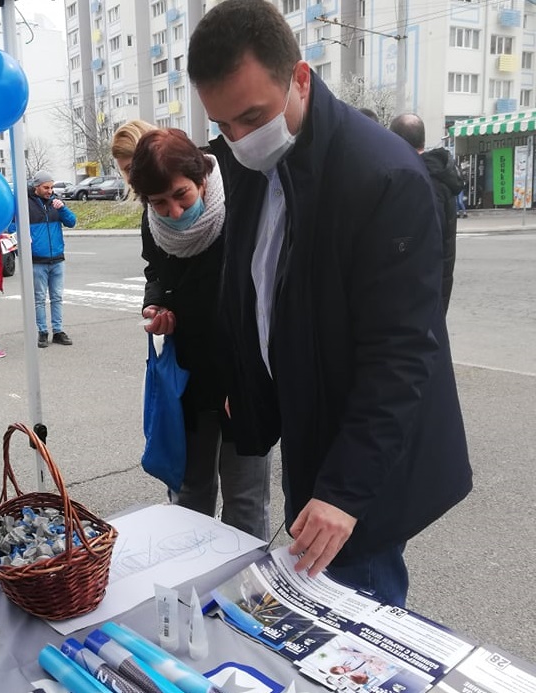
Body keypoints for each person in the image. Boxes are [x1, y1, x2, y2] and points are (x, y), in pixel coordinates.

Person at [187, 0, 472, 606]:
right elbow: (255, 284)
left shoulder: (382, 176)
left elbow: (401, 354)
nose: (239, 138)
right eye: (224, 125)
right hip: (307, 416)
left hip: (362, 453)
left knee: (357, 619)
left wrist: (344, 490)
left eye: (252, 116)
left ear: (301, 77)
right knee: (310, 608)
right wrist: (248, 378)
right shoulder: (251, 160)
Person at [127, 127, 272, 541]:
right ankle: (190, 594)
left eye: (182, 196)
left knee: (245, 501)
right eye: (159, 202)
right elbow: (156, 270)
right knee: (190, 496)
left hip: (245, 374)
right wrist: (155, 305)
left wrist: (242, 381)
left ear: (202, 179)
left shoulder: (241, 205)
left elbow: (262, 295)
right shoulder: (152, 224)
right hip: (189, 377)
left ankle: (245, 594)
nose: (173, 212)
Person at [389, 113, 464, 313]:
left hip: (424, 294)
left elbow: (421, 245)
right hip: (437, 285)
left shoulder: (422, 180)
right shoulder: (436, 173)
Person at [27, 170, 77, 348]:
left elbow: (72, 222)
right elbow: (11, 225)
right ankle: (42, 331)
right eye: (46, 187)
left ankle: (58, 331)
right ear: (36, 187)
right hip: (37, 260)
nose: (49, 191)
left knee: (56, 297)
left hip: (57, 259)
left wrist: (62, 208)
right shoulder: (26, 204)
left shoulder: (55, 203)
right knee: (39, 298)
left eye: (51, 187)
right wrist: (24, 237)